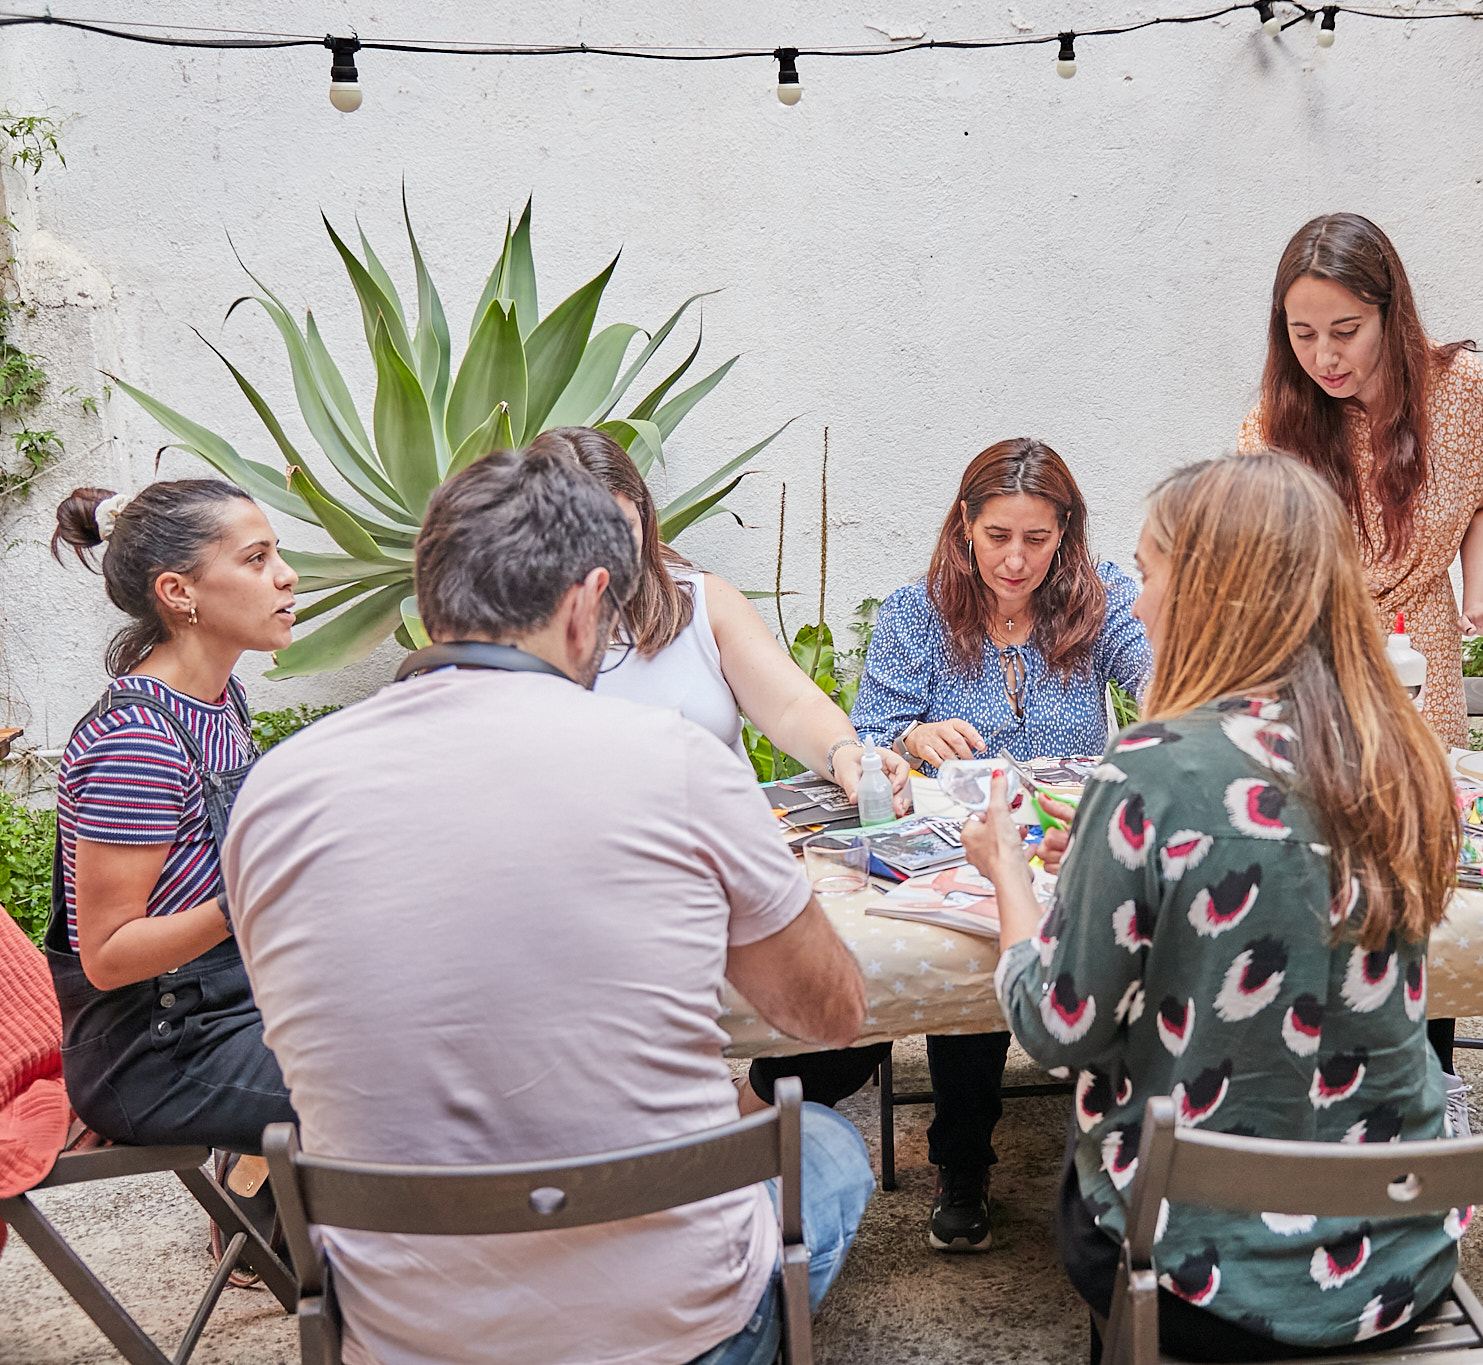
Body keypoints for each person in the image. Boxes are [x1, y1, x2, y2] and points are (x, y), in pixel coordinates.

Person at [223, 444, 873, 1365]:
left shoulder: (275, 794)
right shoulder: (675, 761)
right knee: (830, 1146)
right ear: (583, 605)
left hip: (406, 1333)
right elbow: (831, 1013)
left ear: (430, 593)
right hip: (675, 1328)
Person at [960, 453, 1465, 1362]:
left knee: (1080, 1192)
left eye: (1149, 575)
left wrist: (1009, 873)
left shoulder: (1151, 769)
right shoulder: (1399, 757)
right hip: (1400, 1257)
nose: (1137, 604)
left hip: (1196, 1270)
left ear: (1210, 595)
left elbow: (1058, 1025)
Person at [754, 437, 1153, 1256]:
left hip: (1061, 848)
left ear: (1065, 533)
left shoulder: (1100, 597)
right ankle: (962, 1163)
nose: (1015, 559)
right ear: (964, 525)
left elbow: (1164, 681)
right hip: (954, 849)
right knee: (965, 942)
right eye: (997, 535)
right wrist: (910, 731)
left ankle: (1062, 1137)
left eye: (1037, 539)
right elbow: (863, 740)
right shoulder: (918, 612)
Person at [1240, 211, 1483, 1126]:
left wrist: (1479, 604)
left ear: (1390, 312)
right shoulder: (1276, 420)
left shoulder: (1461, 388)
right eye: (1302, 333)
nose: (1324, 356)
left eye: (1345, 331)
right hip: (1312, 656)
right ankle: (1311, 1109)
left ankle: (1421, 1109)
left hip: (1422, 644)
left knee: (1412, 886)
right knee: (1316, 885)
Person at [44, 480, 297, 1279]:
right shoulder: (138, 738)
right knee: (393, 1077)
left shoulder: (221, 704)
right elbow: (108, 954)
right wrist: (248, 900)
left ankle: (267, 1201)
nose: (286, 575)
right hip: (156, 1049)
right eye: (257, 559)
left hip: (231, 1010)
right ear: (178, 593)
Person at [558, 426, 911, 811]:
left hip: (724, 845)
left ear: (643, 514)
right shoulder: (513, 633)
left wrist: (844, 753)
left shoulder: (703, 600)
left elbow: (792, 706)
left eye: (623, 527)